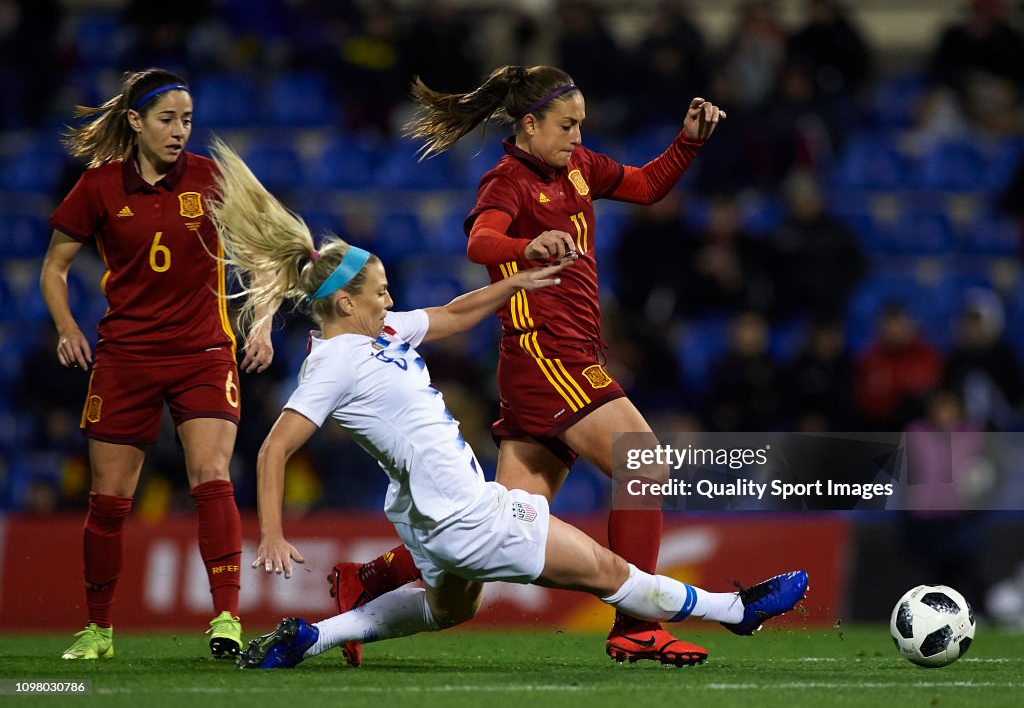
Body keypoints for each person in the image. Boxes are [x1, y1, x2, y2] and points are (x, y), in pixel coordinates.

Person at [199, 139, 808, 670]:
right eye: (380, 293)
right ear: (343, 304)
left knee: (450, 608)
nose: (390, 302)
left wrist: (515, 281)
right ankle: (736, 610)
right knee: (610, 573)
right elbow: (275, 446)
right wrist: (273, 535)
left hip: (426, 517)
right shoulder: (332, 362)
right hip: (467, 515)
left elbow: (451, 314)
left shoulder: (379, 333)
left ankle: (311, 637)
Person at [328, 64, 728, 668]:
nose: (576, 137)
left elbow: (645, 186)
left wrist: (688, 141)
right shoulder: (506, 182)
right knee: (644, 465)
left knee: (500, 525)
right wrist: (525, 248)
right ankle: (639, 626)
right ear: (530, 123)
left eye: (581, 125)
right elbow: (479, 243)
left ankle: (368, 578)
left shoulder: (579, 167)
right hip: (546, 353)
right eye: (567, 125)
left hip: (558, 359)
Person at [40, 68, 274, 660]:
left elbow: (269, 257)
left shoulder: (212, 178)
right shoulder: (96, 187)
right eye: (167, 119)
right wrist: (67, 327)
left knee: (212, 476)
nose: (179, 132)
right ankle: (98, 630)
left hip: (202, 352)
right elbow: (54, 268)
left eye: (187, 120)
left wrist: (264, 324)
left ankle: (225, 617)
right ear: (136, 122)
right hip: (126, 356)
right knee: (109, 499)